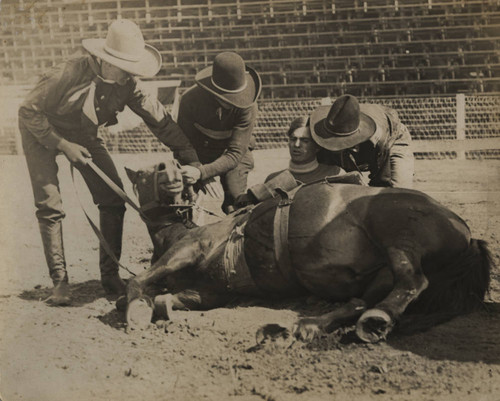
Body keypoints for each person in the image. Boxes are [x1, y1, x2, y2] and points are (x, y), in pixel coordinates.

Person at [18, 19, 201, 305]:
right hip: (41, 130)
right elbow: (28, 111)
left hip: (85, 134)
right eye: (124, 67)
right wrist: (63, 145)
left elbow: (161, 122)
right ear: (104, 61)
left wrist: (193, 161)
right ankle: (60, 282)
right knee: (50, 205)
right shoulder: (66, 72)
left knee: (113, 198)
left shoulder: (129, 84)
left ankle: (110, 275)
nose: (130, 75)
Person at [177, 52, 261, 213]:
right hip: (199, 151)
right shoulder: (190, 100)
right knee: (184, 200)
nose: (235, 102)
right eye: (227, 97)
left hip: (234, 151)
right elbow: (183, 144)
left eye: (238, 96)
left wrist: (203, 172)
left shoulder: (248, 105)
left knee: (235, 202)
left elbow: (235, 153)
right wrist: (197, 170)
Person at [311, 94, 414, 188]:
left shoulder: (377, 139)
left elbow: (382, 180)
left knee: (397, 191)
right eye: (329, 138)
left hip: (393, 138)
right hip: (356, 147)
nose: (332, 144)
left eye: (337, 140)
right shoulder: (319, 128)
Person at [265, 116, 345, 184]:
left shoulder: (334, 175)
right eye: (293, 139)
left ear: (317, 146)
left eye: (305, 141)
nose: (296, 145)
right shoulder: (273, 180)